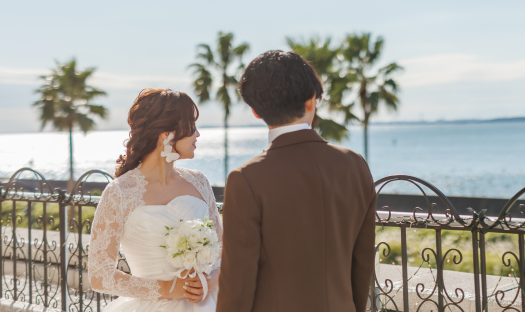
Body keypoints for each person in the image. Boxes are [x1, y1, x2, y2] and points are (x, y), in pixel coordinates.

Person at [216, 50, 376, 312]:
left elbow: (238, 285)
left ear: (255, 111)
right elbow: (363, 263)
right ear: (312, 101)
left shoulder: (246, 178)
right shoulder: (356, 165)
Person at [89, 89, 222, 312]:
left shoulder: (199, 182)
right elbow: (100, 275)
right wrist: (167, 288)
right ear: (166, 135)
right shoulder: (120, 192)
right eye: (191, 126)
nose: (197, 134)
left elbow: (222, 250)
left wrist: (210, 281)